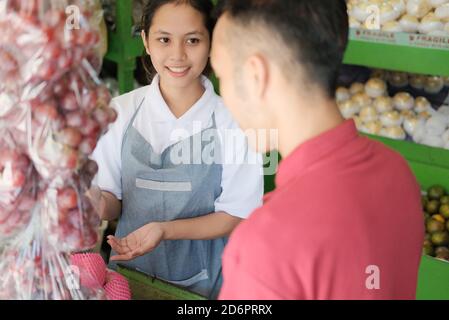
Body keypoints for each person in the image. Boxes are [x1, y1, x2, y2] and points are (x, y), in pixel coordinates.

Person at [211, 0, 424, 299]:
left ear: (255, 76)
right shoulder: (397, 172)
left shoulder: (265, 244)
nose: (224, 96)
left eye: (222, 76)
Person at [90, 0, 263, 299]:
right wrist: (88, 202)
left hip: (202, 284)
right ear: (145, 41)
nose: (178, 55)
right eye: (164, 39)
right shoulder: (120, 112)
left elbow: (237, 214)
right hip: (126, 279)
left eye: (193, 40)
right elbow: (111, 201)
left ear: (211, 43)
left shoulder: (234, 122)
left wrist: (166, 230)